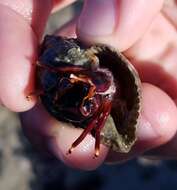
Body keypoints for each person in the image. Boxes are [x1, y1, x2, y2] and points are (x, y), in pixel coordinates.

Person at [1, 0, 177, 170]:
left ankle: (81, 139)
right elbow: (79, 75)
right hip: (84, 74)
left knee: (96, 122)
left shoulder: (103, 105)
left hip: (100, 89)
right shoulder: (83, 76)